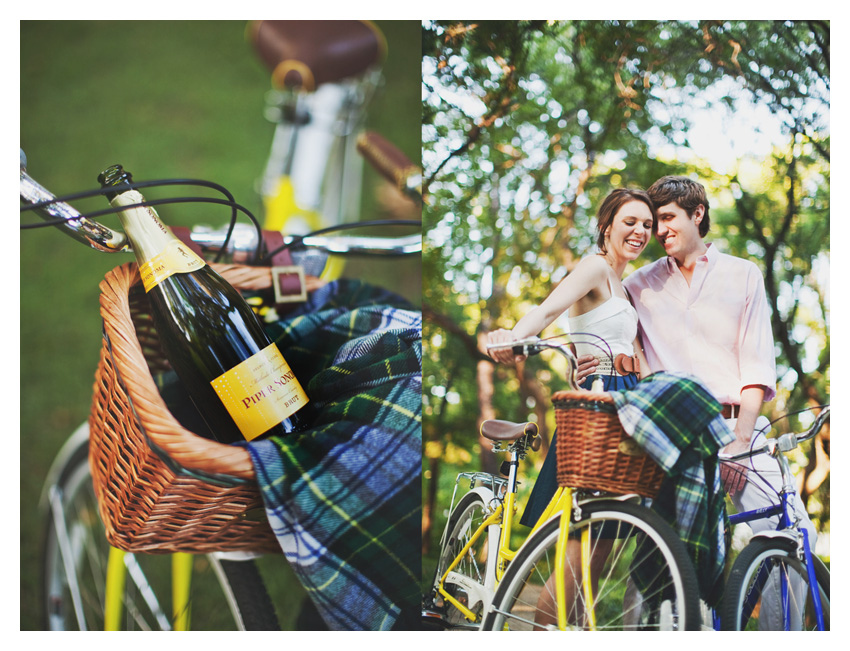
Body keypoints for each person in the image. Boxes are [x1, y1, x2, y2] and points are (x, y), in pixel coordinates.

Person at [580, 175, 815, 629]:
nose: (657, 230)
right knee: (661, 550)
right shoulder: (639, 284)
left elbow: (757, 362)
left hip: (738, 428)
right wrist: (587, 359)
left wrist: (739, 442)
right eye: (654, 221)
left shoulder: (743, 273)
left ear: (697, 215)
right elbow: (612, 337)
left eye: (667, 218)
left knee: (789, 535)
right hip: (673, 434)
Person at [486, 187, 655, 627]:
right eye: (630, 222)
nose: (640, 231)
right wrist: (513, 338)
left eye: (647, 225)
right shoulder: (596, 266)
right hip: (597, 408)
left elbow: (612, 343)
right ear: (607, 226)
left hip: (624, 402)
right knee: (576, 555)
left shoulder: (624, 282)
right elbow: (545, 312)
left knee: (597, 553)